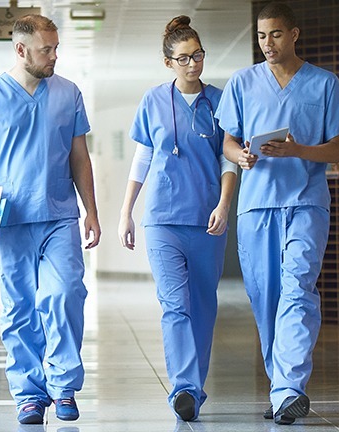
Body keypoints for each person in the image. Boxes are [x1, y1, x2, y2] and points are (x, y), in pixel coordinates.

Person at [213, 2, 339, 426]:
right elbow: (227, 142)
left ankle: (290, 389)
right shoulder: (243, 82)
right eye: (261, 36)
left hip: (305, 202)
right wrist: (239, 156)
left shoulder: (324, 84)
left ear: (294, 34)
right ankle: (281, 387)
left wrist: (296, 149)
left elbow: (336, 150)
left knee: (298, 289)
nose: (267, 44)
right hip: (257, 206)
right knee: (266, 300)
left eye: (275, 34)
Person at [0, 14, 100, 425]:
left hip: (59, 214)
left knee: (65, 293)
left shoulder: (68, 93)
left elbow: (79, 157)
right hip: (10, 218)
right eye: (46, 49)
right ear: (21, 50)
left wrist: (91, 211)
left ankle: (63, 384)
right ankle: (29, 393)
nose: (54, 56)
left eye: (56, 48)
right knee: (19, 308)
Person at [117, 15, 237, 422]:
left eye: (198, 56)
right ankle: (183, 387)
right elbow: (143, 157)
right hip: (163, 219)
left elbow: (228, 158)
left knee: (203, 305)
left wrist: (224, 205)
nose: (193, 64)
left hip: (207, 220)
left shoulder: (221, 101)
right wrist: (126, 212)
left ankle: (194, 389)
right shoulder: (153, 100)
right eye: (184, 58)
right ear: (168, 62)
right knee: (174, 305)